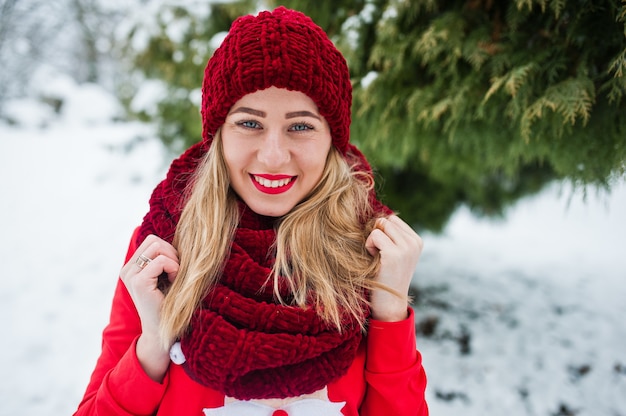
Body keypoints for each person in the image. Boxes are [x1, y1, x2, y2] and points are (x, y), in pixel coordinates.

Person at [74, 6, 428, 416]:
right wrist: (153, 344)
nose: (274, 156)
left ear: (332, 138)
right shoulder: (161, 251)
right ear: (217, 134)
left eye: (300, 126)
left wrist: (390, 311)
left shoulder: (369, 251)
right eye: (249, 123)